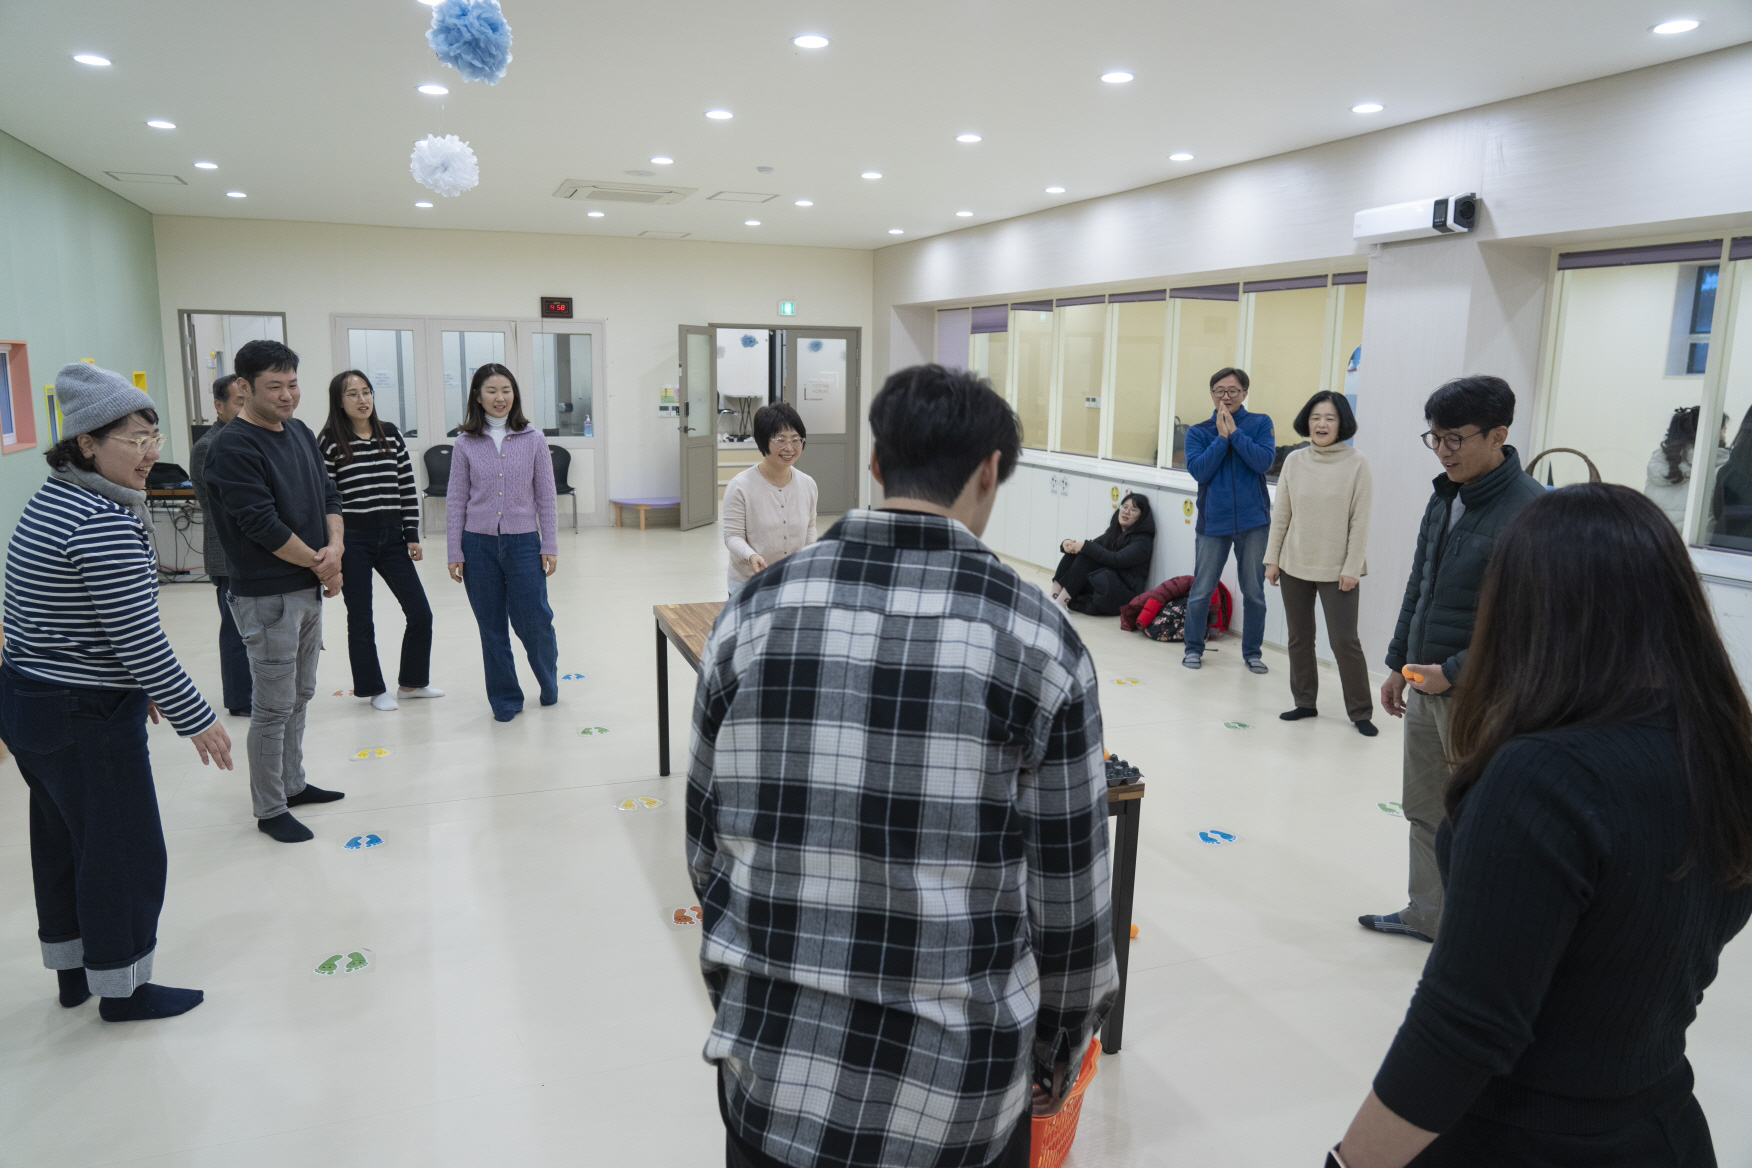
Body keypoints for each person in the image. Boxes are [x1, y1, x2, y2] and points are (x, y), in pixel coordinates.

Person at [688, 363, 1118, 1168]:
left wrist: (742, 994)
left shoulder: (752, 615)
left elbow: (708, 848)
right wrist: (1058, 1047)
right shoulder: (1039, 639)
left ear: (876, 462)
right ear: (990, 471)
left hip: (771, 1079)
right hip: (956, 1098)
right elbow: (1071, 899)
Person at [1330, 484, 1752, 1168]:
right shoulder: (1723, 748)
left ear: (1523, 608)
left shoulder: (1544, 776)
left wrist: (1350, 1162)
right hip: (1662, 1126)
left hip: (1529, 1136)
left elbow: (1461, 1029)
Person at [0, 363, 234, 1021]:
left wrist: (133, 682)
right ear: (87, 443)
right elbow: (139, 639)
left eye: (154, 435)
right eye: (135, 438)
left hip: (29, 700)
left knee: (65, 843)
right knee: (122, 851)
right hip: (84, 715)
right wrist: (198, 718)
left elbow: (62, 617)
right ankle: (123, 989)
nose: (151, 452)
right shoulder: (99, 520)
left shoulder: (54, 498)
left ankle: (74, 973)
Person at [1362, 375, 1543, 943]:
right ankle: (1428, 914)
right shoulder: (1445, 497)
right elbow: (1420, 585)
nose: (1442, 451)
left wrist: (1456, 672)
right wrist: (1399, 664)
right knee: (1424, 807)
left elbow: (1527, 623)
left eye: (1455, 439)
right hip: (1425, 680)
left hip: (1482, 694)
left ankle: (1477, 929)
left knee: (1477, 813)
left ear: (1498, 435)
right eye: (1435, 438)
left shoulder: (1531, 511)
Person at [202, 339, 346, 844]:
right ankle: (269, 807)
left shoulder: (300, 431)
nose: (287, 396)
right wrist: (323, 565)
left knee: (301, 694)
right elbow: (261, 525)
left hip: (306, 586)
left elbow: (330, 495)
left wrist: (334, 550)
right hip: (267, 598)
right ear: (244, 387)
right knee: (272, 705)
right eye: (274, 387)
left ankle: (293, 783)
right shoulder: (232, 446)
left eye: (293, 385)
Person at [318, 370, 442, 712]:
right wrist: (332, 546)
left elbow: (405, 483)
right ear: (339, 402)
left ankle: (412, 683)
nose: (362, 400)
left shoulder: (390, 433)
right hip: (352, 540)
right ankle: (373, 689)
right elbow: (325, 498)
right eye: (352, 394)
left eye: (366, 392)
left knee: (420, 613)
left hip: (392, 537)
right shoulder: (329, 440)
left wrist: (411, 532)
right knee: (361, 618)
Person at [446, 363, 559, 722]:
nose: (500, 398)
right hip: (477, 545)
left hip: (524, 542)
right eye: (491, 391)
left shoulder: (534, 439)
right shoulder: (465, 443)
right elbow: (455, 499)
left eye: (506, 390)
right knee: (491, 628)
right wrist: (454, 550)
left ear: (515, 395)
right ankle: (505, 698)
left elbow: (546, 496)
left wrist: (549, 544)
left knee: (534, 621)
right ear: (477, 397)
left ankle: (548, 680)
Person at [1264, 391, 1376, 735]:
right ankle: (1304, 702)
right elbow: (1281, 514)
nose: (1321, 424)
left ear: (1342, 423)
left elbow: (1360, 521)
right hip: (1294, 562)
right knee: (1299, 638)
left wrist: (1352, 567)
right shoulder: (1295, 461)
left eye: (1329, 418)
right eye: (1315, 418)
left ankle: (1361, 711)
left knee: (1345, 642)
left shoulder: (1357, 463)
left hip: (1337, 569)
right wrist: (1272, 559)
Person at [1182, 367, 1275, 673]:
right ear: (1211, 394)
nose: (1226, 396)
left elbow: (1263, 462)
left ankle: (1253, 653)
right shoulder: (1198, 431)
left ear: (1244, 393)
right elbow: (1200, 471)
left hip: (1253, 523)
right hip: (1213, 524)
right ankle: (1193, 649)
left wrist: (1235, 433)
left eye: (1233, 390)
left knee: (1254, 592)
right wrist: (1221, 439)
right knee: (1201, 591)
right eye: (1219, 390)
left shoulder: (1261, 423)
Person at [188, 373, 253, 717]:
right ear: (219, 405)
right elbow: (216, 506)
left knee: (252, 628)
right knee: (235, 628)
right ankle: (240, 699)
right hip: (227, 550)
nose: (246, 408)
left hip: (252, 550)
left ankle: (256, 691)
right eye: (239, 402)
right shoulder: (208, 446)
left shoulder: (247, 437)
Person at [720, 401, 818, 599]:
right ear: (763, 441)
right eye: (780, 440)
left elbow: (810, 527)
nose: (789, 448)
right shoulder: (740, 486)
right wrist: (751, 556)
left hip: (791, 581)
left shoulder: (807, 484)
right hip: (749, 584)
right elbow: (733, 536)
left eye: (796, 439)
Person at [1050, 492, 1156, 615]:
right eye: (1124, 507)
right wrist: (1067, 544)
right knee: (1078, 553)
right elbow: (1090, 546)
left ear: (1141, 517)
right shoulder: (1115, 533)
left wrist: (1084, 546)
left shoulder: (1143, 540)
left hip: (1125, 593)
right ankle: (1052, 598)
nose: (1126, 512)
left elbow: (1117, 559)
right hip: (1110, 583)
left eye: (1133, 510)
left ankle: (1060, 604)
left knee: (1087, 555)